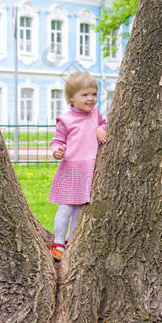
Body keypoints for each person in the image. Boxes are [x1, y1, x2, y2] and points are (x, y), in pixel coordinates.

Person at [48, 71, 108, 260]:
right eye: (85, 95)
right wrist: (57, 151)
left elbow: (105, 124)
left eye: (94, 94)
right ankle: (58, 242)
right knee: (66, 208)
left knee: (80, 211)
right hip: (71, 169)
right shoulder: (65, 120)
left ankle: (71, 239)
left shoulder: (95, 115)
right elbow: (56, 141)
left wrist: (101, 128)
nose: (91, 99)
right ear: (71, 98)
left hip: (89, 170)